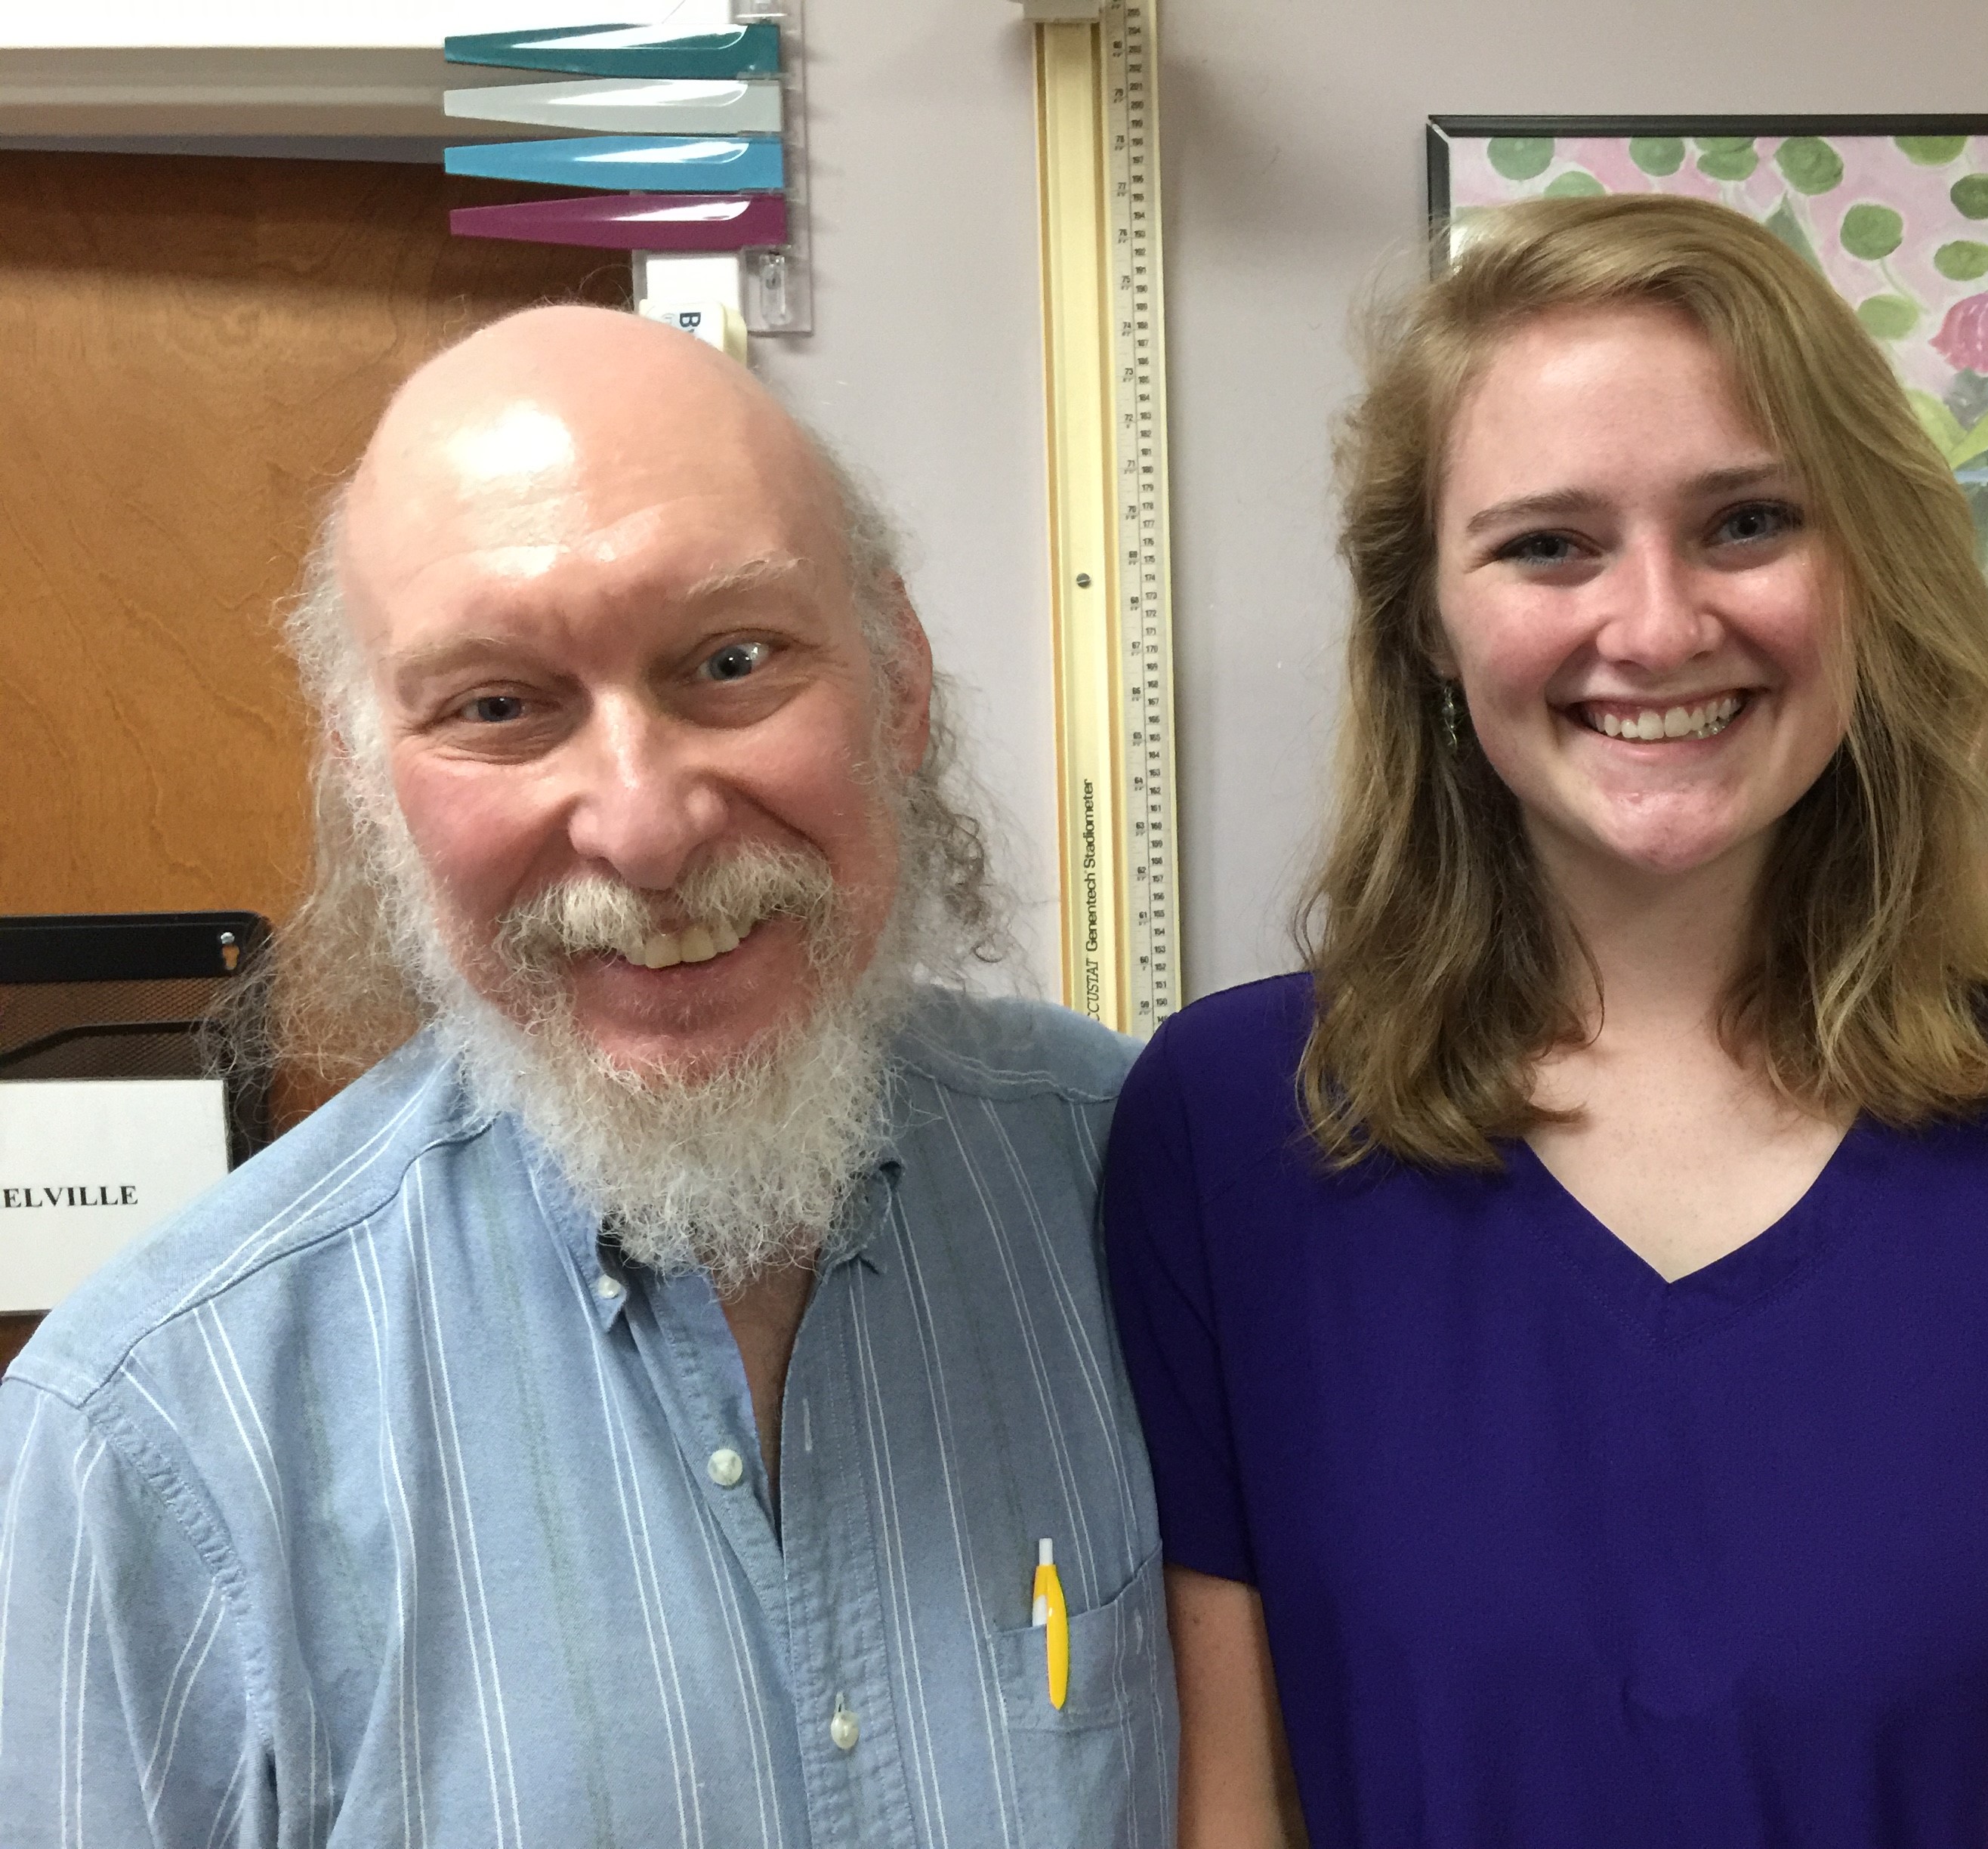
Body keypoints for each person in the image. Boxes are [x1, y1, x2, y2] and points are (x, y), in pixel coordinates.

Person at [1104, 193, 1988, 1847]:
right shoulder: (1235, 1134)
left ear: (1867, 570)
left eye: (1748, 522)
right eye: (1548, 544)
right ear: (1426, 618)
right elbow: (1233, 1806)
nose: (1656, 626)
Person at [0, 307, 1172, 1846]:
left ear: (900, 683)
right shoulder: (151, 1439)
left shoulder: (1147, 1192)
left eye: (732, 661)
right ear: (368, 779)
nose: (645, 829)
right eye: (496, 707)